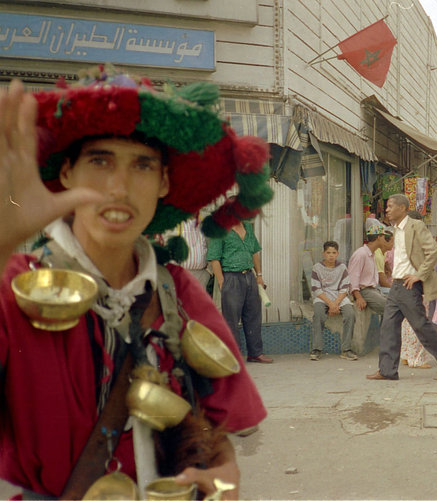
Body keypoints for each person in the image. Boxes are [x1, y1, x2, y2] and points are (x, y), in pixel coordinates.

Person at [0, 72, 273, 499]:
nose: (119, 187)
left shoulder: (177, 291)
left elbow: (218, 427)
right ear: (67, 172)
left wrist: (222, 473)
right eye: (100, 161)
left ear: (164, 183)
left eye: (142, 165)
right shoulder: (14, 283)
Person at [367, 194, 437, 381]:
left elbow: (433, 250)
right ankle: (387, 370)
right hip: (397, 285)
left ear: (402, 208)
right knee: (388, 327)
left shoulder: (415, 226)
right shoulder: (394, 230)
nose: (387, 210)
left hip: (409, 285)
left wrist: (419, 275)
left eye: (390, 206)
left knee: (421, 327)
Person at [209, 220, 273, 364]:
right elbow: (214, 259)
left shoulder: (248, 227)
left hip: (249, 276)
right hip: (230, 276)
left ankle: (255, 353)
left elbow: (254, 252)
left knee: (253, 315)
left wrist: (259, 275)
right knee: (231, 318)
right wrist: (221, 282)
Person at [310, 241, 356, 361]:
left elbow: (345, 288)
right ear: (323, 253)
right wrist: (330, 304)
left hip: (339, 296)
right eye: (328, 252)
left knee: (350, 314)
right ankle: (317, 348)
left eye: (334, 253)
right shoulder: (317, 268)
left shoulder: (342, 268)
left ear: (338, 253)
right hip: (322, 297)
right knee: (318, 313)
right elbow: (316, 289)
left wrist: (336, 303)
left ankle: (346, 349)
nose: (331, 255)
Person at [348, 223, 389, 315]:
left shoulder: (371, 254)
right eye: (384, 237)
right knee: (389, 308)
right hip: (364, 291)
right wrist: (358, 297)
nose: (385, 241)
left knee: (395, 303)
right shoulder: (361, 254)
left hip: (373, 290)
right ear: (378, 237)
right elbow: (353, 277)